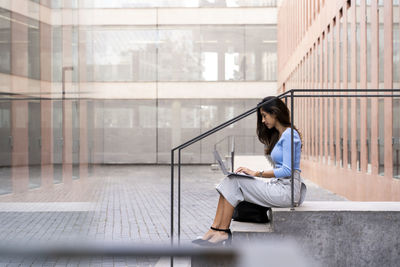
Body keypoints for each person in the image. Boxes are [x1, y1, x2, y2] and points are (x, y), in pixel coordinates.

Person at [192, 96, 307, 246]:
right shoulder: (281, 134)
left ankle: (222, 232)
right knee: (231, 180)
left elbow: (287, 170)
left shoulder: (290, 135)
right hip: (280, 187)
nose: (263, 121)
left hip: (288, 193)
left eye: (264, 116)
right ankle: (215, 229)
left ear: (275, 113)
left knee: (235, 181)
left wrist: (256, 173)